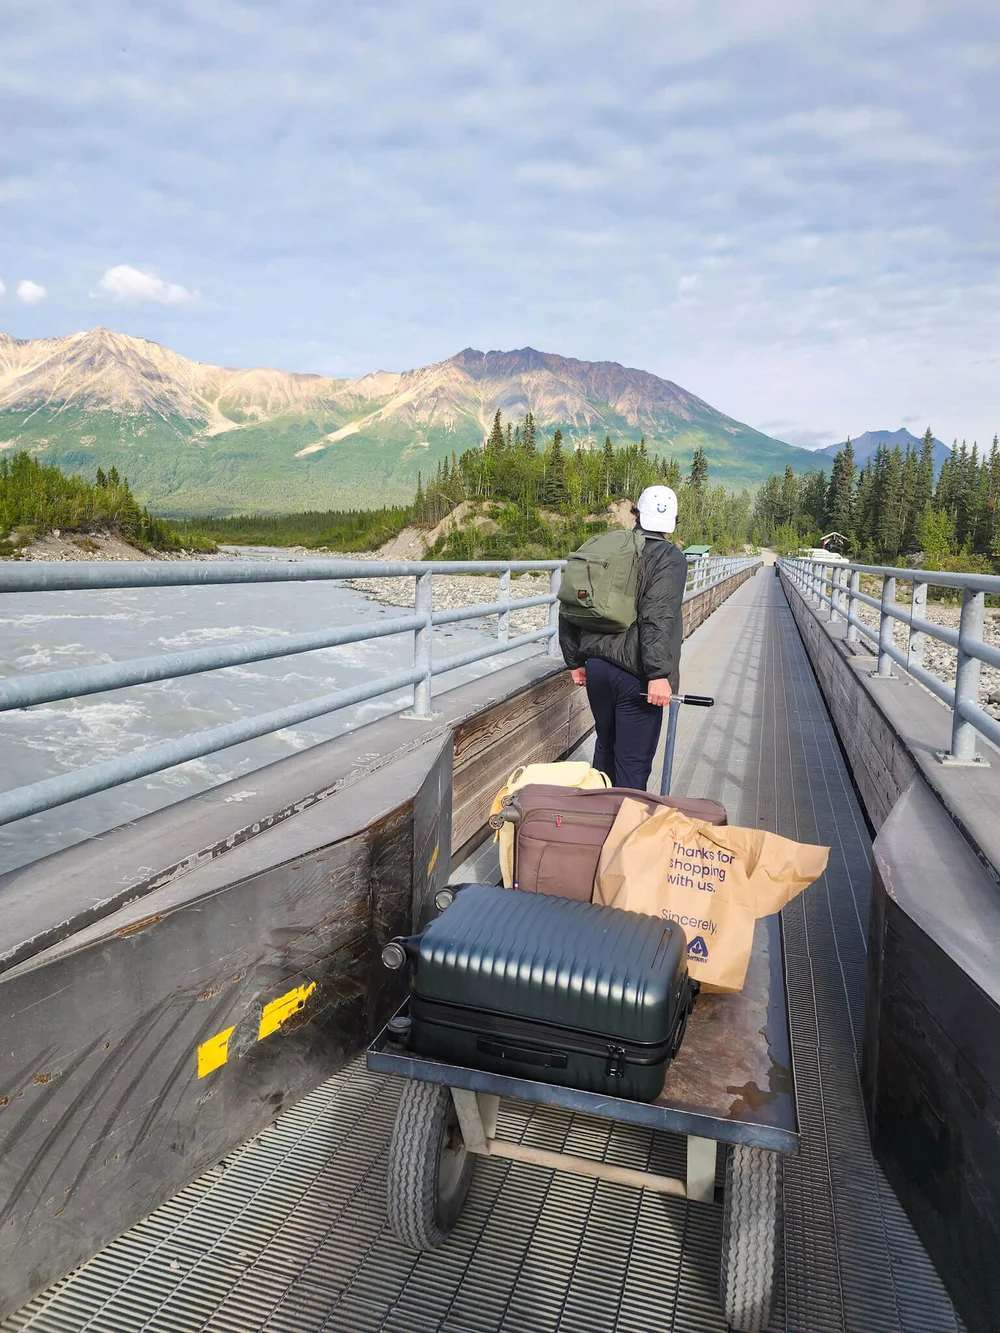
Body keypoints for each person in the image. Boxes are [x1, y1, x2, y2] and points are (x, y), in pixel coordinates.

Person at [559, 484, 687, 790]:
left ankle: (595, 825)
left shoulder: (607, 546)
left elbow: (572, 601)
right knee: (632, 764)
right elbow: (657, 616)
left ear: (637, 513)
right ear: (673, 521)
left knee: (605, 749)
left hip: (598, 668)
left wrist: (574, 660)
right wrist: (659, 674)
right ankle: (624, 835)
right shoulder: (670, 557)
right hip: (637, 675)